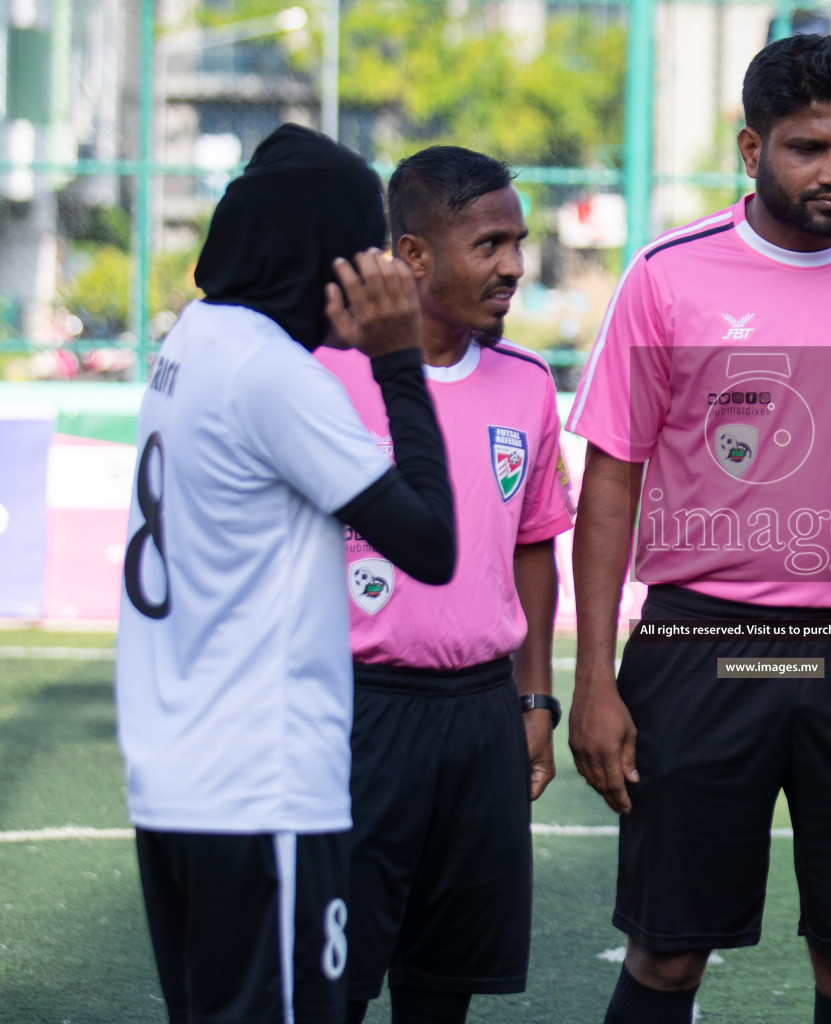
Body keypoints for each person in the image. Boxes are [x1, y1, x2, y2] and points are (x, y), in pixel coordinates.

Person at [566, 33, 831, 1024]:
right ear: (752, 152)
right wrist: (591, 680)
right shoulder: (667, 276)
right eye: (808, 148)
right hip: (699, 642)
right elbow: (610, 484)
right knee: (666, 953)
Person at [115, 124, 456, 1024]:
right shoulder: (271, 376)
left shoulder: (201, 334)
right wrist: (397, 358)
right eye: (362, 249)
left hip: (179, 783)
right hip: (260, 793)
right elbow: (430, 544)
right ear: (319, 255)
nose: (374, 272)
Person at [314, 147, 575, 1024]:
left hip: (479, 720)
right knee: (332, 986)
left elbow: (536, 544)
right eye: (490, 244)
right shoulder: (325, 374)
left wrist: (534, 695)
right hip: (357, 713)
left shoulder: (530, 382)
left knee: (443, 990)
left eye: (519, 243)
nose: (512, 267)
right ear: (415, 256)